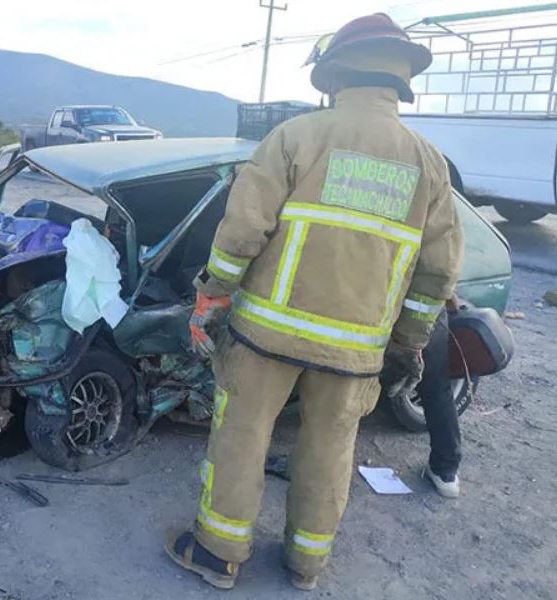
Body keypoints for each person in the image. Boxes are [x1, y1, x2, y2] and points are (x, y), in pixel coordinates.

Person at [165, 13, 463, 591]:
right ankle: (306, 563)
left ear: (334, 76)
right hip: (356, 349)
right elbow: (438, 272)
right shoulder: (429, 164)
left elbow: (240, 233)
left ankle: (219, 552)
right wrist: (407, 342)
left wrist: (212, 292)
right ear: (400, 79)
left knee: (243, 436)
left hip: (266, 337)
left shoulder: (297, 137)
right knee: (331, 447)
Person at [414, 295, 462, 497]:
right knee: (436, 388)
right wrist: (451, 298)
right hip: (424, 310)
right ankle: (445, 471)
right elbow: (442, 268)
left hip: (376, 305)